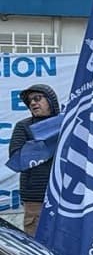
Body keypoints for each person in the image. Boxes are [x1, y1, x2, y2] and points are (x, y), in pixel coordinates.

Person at [8, 84, 60, 236]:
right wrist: (49, 143)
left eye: (38, 98)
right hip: (35, 197)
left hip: (63, 196)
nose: (33, 103)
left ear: (50, 101)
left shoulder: (65, 124)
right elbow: (17, 158)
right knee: (36, 246)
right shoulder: (23, 126)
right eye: (30, 101)